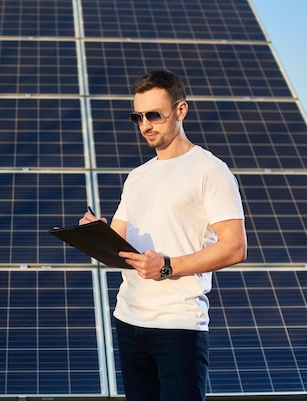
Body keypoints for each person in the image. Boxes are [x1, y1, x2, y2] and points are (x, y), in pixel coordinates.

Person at [80, 70, 247, 401]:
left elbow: (235, 247)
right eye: (138, 117)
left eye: (154, 114)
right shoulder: (137, 177)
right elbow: (120, 249)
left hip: (178, 325)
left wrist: (167, 265)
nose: (145, 125)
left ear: (180, 110)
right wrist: (96, 236)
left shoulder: (210, 171)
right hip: (129, 318)